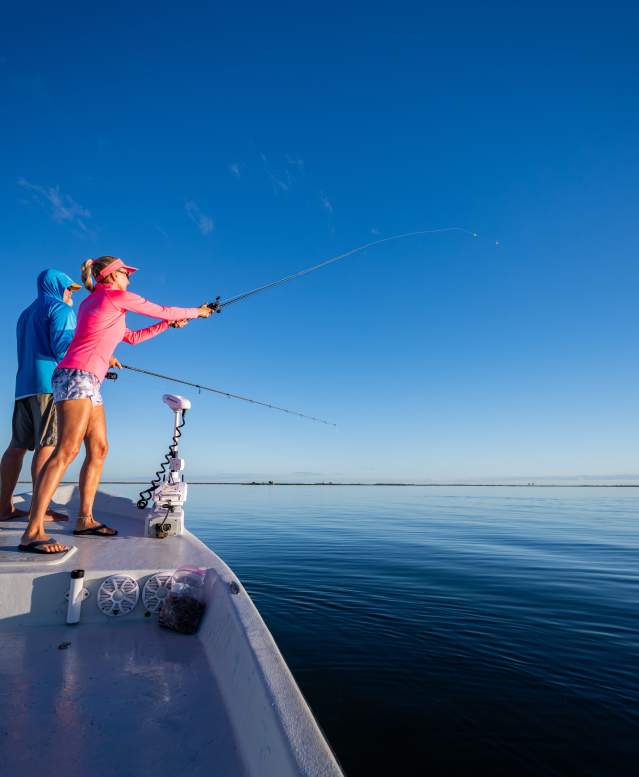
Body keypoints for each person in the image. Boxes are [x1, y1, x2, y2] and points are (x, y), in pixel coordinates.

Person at [19, 255, 213, 554]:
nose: (130, 277)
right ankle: (32, 532)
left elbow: (132, 337)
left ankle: (85, 519)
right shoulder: (112, 296)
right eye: (126, 273)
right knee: (67, 450)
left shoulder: (102, 302)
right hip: (76, 375)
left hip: (89, 379)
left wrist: (167, 325)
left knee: (99, 448)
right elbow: (161, 309)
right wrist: (198, 312)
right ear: (112, 275)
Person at [0, 269, 81, 522]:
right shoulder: (61, 310)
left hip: (22, 388)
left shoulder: (25, 314)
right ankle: (40, 509)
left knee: (16, 448)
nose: (71, 295)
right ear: (58, 287)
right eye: (69, 289)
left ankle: (3, 507)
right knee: (48, 446)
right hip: (49, 386)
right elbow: (63, 349)